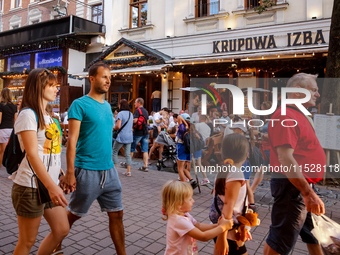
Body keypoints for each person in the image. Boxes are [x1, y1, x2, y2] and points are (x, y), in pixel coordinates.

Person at [60, 63, 126, 255]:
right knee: (74, 215)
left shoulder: (107, 106)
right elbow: (71, 141)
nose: (108, 81)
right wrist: (70, 172)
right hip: (86, 170)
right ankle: (55, 241)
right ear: (92, 78)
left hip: (109, 171)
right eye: (104, 77)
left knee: (118, 213)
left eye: (109, 78)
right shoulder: (79, 104)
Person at [264, 73, 325, 255]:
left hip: (300, 186)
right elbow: (286, 159)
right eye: (314, 90)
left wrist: (308, 191)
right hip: (293, 187)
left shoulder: (297, 114)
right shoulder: (286, 116)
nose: (318, 94)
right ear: (298, 92)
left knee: (313, 234)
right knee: (281, 240)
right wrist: (307, 193)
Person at [11, 68, 68, 255]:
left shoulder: (49, 116)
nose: (55, 89)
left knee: (61, 229)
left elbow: (50, 151)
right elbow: (32, 154)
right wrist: (52, 186)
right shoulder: (28, 114)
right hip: (30, 185)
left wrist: (60, 173)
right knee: (27, 241)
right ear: (38, 87)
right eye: (51, 85)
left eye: (55, 85)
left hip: (48, 183)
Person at [162, 180, 233, 255]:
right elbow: (203, 236)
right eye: (190, 199)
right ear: (179, 204)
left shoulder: (185, 215)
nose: (193, 201)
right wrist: (223, 227)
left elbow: (199, 226)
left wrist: (218, 225)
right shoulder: (179, 221)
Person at [209, 133, 251, 255]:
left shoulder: (225, 170)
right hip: (229, 231)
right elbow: (228, 205)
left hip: (222, 227)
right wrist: (222, 237)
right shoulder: (235, 173)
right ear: (246, 155)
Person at [229, 122, 263, 212]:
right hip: (245, 165)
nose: (232, 131)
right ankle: (251, 205)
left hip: (242, 165)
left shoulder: (241, 141)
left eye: (234, 129)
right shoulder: (245, 140)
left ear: (240, 130)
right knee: (246, 185)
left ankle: (248, 205)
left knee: (244, 186)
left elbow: (241, 155)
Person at [176, 113, 198, 189]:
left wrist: (185, 123)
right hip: (189, 148)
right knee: (184, 167)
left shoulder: (183, 127)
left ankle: (184, 186)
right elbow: (197, 137)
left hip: (182, 147)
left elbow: (179, 117)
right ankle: (192, 180)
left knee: (180, 169)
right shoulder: (192, 128)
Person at [113, 99, 133, 176]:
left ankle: (114, 169)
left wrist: (114, 129)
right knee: (128, 154)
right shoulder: (131, 114)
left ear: (121, 105)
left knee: (114, 151)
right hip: (129, 136)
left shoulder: (120, 114)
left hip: (121, 136)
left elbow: (118, 126)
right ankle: (128, 171)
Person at [130, 98, 149, 172]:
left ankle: (128, 163)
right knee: (145, 150)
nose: (134, 104)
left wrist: (130, 121)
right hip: (146, 132)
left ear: (139, 103)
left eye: (135, 102)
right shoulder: (146, 111)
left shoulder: (138, 110)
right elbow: (147, 123)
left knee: (132, 148)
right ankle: (145, 166)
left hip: (138, 132)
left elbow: (135, 120)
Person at [0, 88, 18, 167]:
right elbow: (15, 120)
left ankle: (0, 166)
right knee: (9, 150)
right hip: (11, 130)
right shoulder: (14, 106)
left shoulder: (0, 105)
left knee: (2, 151)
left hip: (2, 129)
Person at [195, 115, 211, 185]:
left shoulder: (197, 125)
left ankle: (187, 178)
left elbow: (194, 134)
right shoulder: (208, 127)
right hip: (203, 145)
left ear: (200, 118)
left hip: (197, 146)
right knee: (199, 163)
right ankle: (205, 178)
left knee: (188, 162)